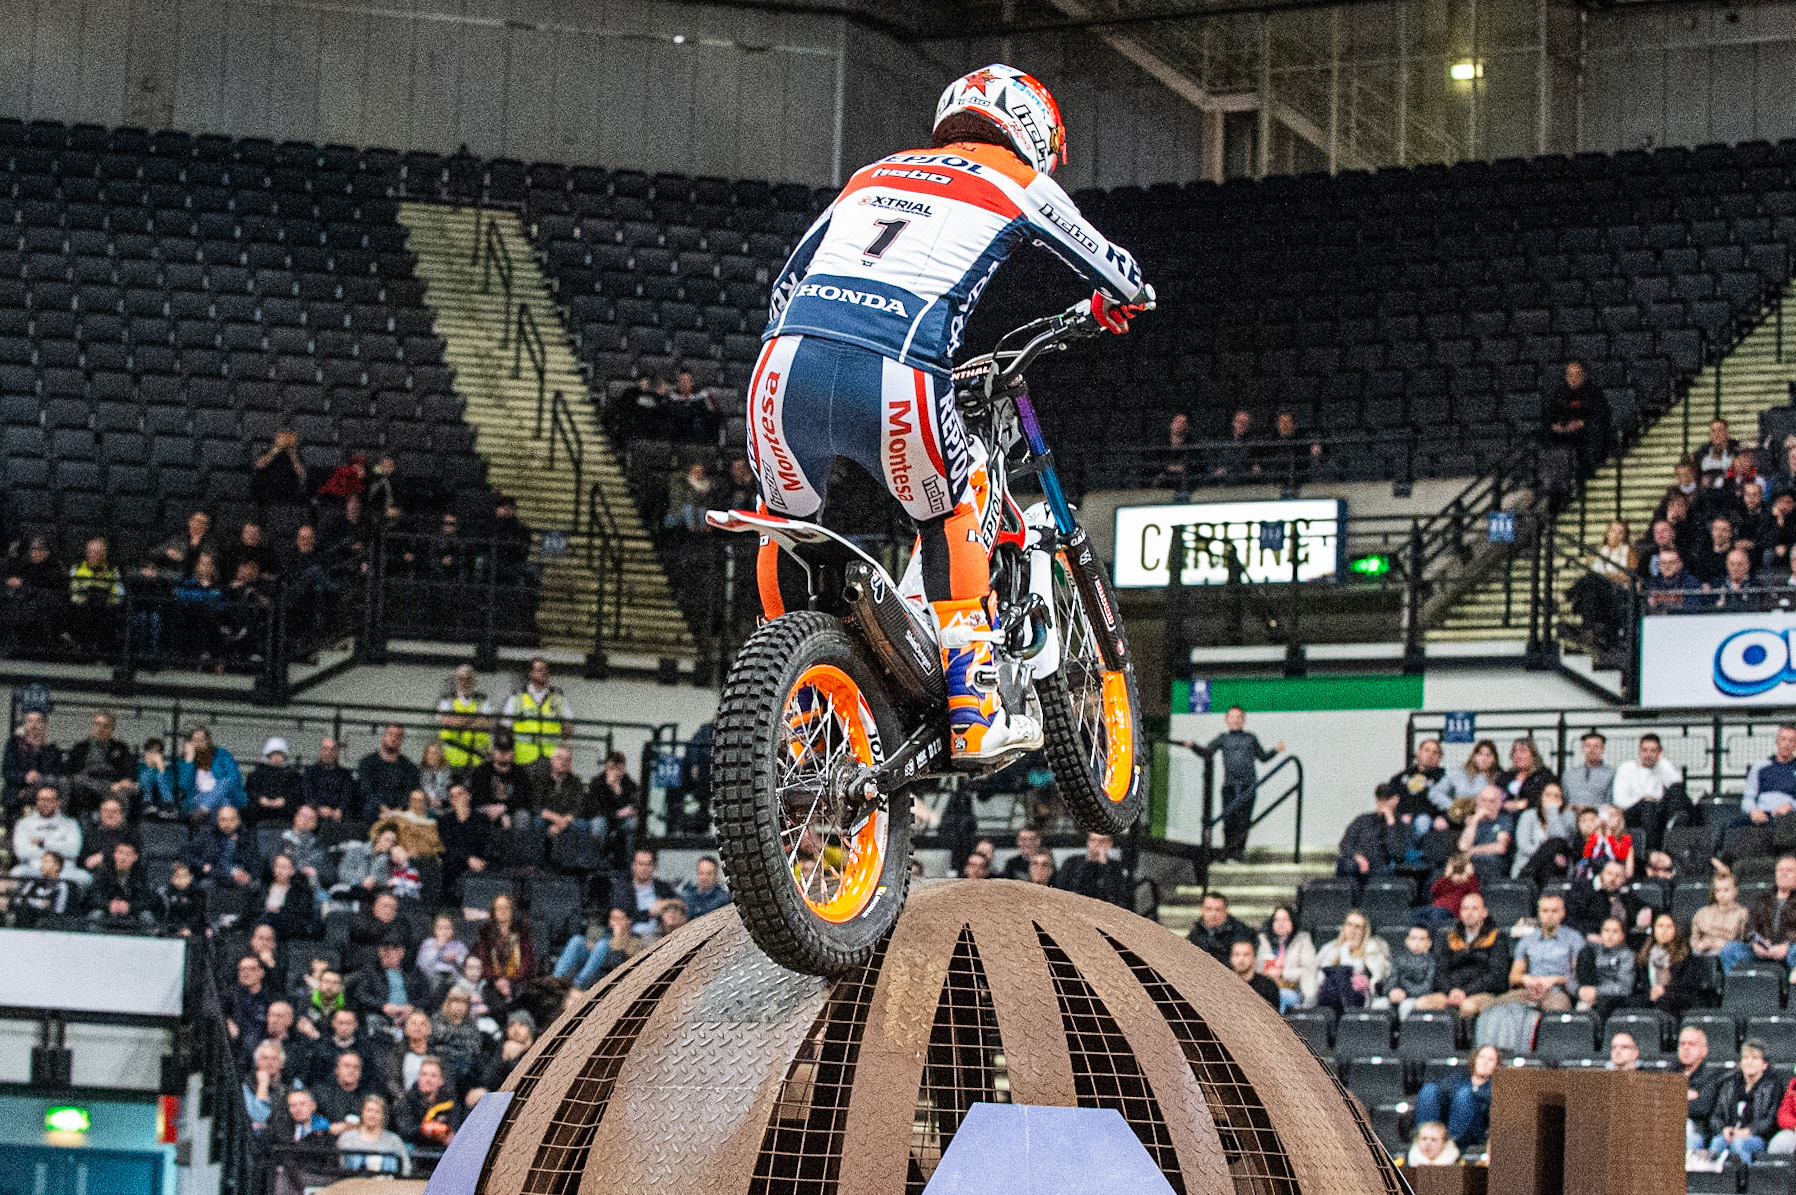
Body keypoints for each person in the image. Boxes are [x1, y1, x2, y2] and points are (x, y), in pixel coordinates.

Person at [753, 65, 1148, 764]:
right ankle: (975, 710)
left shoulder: (872, 173)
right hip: (896, 368)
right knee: (956, 508)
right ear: (1029, 128)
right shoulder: (1016, 179)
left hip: (783, 367)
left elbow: (787, 281)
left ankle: (791, 714)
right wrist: (1128, 296)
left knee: (786, 527)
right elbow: (1112, 267)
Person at [1185, 707, 1283, 861]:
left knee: (1243, 820)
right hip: (1230, 786)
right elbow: (1207, 752)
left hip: (1248, 785)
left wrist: (1276, 750)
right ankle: (1227, 851)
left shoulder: (1250, 738)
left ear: (1243, 720)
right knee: (1229, 820)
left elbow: (1263, 757)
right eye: (1232, 717)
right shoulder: (1222, 738)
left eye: (1239, 717)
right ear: (1226, 720)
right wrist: (1193, 746)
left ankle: (1238, 853)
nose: (1235, 720)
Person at [1497, 893, 1582, 1013]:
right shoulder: (1527, 940)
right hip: (1529, 990)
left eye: (1554, 911)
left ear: (1562, 913)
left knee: (1556, 1011)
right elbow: (1513, 977)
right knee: (1495, 1009)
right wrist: (1526, 979)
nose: (1549, 915)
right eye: (1545, 911)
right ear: (1539, 913)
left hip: (1557, 992)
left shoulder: (1574, 938)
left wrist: (1553, 980)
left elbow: (1579, 975)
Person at [1413, 1044, 1501, 1148]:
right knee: (1429, 1090)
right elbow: (1443, 1092)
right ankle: (1426, 1139)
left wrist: (1469, 1094)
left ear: (1496, 1065)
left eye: (1490, 1059)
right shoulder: (1460, 1078)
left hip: (1473, 1129)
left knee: (1464, 1094)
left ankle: (1451, 1146)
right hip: (1447, 1122)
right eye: (1481, 1057)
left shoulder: (1495, 1086)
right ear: (1475, 1060)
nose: (1485, 1062)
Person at [1710, 1039, 1779, 1165]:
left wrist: (1749, 1131)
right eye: (1746, 1057)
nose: (1749, 1062)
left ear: (1765, 1064)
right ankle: (1713, 1182)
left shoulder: (1772, 1086)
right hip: (1730, 1134)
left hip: (1757, 1137)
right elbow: (1715, 1116)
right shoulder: (1729, 1084)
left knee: (1739, 1143)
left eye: (1755, 1058)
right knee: (1717, 1142)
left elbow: (1771, 1120)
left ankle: (1744, 1182)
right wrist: (1723, 1129)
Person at [1612, 733, 1682, 852]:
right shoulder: (1627, 768)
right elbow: (1620, 801)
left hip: (1658, 812)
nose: (1648, 755)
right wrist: (1644, 800)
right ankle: (1651, 851)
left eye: (1653, 751)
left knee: (1679, 797)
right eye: (1645, 750)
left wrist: (1662, 760)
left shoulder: (1662, 768)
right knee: (1648, 806)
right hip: (1631, 812)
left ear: (1659, 752)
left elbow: (1677, 784)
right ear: (1639, 751)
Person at [1627, 912, 1702, 1019]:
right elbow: (1641, 983)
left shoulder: (1685, 954)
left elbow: (1687, 983)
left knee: (1663, 1002)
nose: (1664, 930)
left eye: (1669, 926)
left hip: (1678, 997)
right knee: (1632, 1003)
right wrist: (1652, 992)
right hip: (1651, 996)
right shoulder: (1645, 954)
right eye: (1660, 926)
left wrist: (1664, 990)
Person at [63, 709, 138, 817]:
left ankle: (118, 829)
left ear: (112, 729)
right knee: (77, 780)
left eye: (105, 725)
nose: (100, 728)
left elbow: (129, 768)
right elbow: (68, 769)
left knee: (127, 790)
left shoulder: (121, 747)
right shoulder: (80, 747)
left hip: (111, 780)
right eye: (97, 724)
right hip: (86, 780)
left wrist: (126, 780)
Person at [1313, 911, 1391, 1012]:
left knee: (1341, 973)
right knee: (1331, 979)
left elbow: (1351, 970)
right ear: (1344, 927)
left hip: (1360, 997)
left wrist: (1345, 949)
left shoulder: (1371, 948)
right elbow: (1322, 972)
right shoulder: (1330, 948)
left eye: (1357, 927)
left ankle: (1349, 1013)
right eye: (1349, 925)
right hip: (1330, 995)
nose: (1352, 930)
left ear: (1364, 931)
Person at [503, 657, 570, 767]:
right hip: (524, 758)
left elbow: (568, 727)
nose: (544, 673)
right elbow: (505, 726)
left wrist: (562, 751)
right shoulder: (517, 696)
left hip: (551, 758)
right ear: (530, 673)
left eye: (545, 670)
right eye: (539, 670)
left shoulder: (557, 697)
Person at [553, 907, 641, 990]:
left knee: (602, 944)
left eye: (619, 919)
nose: (615, 923)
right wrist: (596, 948)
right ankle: (557, 978)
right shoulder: (606, 933)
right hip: (593, 966)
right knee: (577, 940)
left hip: (607, 971)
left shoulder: (635, 940)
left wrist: (619, 938)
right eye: (613, 919)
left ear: (628, 921)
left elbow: (619, 961)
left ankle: (578, 985)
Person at [1337, 783, 1407, 887]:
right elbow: (1344, 844)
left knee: (1382, 872)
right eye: (1380, 800)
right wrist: (1358, 857)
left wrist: (1390, 825)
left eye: (1386, 800)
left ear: (1395, 800)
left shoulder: (1401, 826)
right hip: (1356, 860)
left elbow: (1397, 853)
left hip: (1380, 864)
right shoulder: (1363, 820)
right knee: (1348, 865)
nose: (1382, 804)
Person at [1567, 859, 1651, 941]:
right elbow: (1571, 919)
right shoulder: (1583, 890)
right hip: (1591, 941)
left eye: (1618, 875)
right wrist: (1587, 935)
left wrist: (1646, 910)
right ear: (1602, 874)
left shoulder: (1626, 895)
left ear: (1623, 880)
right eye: (1609, 873)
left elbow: (1643, 907)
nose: (1612, 879)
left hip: (1622, 944)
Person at [475, 893, 534, 1003]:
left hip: (517, 979)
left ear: (512, 911)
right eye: (499, 908)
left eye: (506, 907)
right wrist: (497, 980)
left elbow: (527, 959)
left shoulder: (522, 930)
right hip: (493, 980)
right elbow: (484, 960)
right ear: (494, 911)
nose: (503, 911)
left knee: (521, 993)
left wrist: (511, 980)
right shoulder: (485, 931)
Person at [11, 784, 82, 875]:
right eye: (41, 800)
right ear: (37, 802)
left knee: (84, 878)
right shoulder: (23, 824)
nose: (45, 803)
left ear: (57, 803)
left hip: (64, 871)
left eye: (49, 800)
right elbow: (21, 852)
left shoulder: (70, 824)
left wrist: (41, 843)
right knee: (15, 873)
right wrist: (58, 846)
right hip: (32, 869)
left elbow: (73, 851)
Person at [1574, 917, 1636, 1021]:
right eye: (1606, 931)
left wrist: (1596, 991)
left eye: (1615, 931)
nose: (1610, 935)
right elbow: (1574, 977)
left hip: (1614, 998)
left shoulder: (1627, 955)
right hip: (1590, 994)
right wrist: (1579, 991)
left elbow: (1625, 988)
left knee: (1604, 1003)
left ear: (1623, 935)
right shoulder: (1592, 952)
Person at [394, 1056, 461, 1150]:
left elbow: (455, 1128)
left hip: (442, 1151)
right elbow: (404, 1131)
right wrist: (426, 1128)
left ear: (441, 1081)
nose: (428, 1080)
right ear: (418, 1078)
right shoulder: (407, 1100)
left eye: (433, 1076)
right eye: (424, 1074)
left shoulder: (450, 1102)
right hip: (416, 1152)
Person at [177, 726, 247, 817]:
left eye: (202, 739)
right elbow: (184, 787)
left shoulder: (222, 755)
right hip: (199, 798)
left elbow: (234, 778)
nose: (199, 743)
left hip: (226, 794)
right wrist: (189, 761)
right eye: (195, 740)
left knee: (225, 783)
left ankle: (204, 809)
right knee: (223, 802)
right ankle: (206, 810)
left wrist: (215, 793)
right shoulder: (185, 761)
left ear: (208, 741)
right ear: (190, 743)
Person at [3, 709, 63, 813]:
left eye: (37, 721)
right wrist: (25, 777)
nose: (33, 725)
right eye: (30, 721)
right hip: (17, 795)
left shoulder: (53, 750)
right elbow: (7, 772)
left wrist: (40, 778)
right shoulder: (13, 746)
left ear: (44, 725)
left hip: (44, 794)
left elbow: (58, 775)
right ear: (25, 724)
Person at [187, 804, 260, 890]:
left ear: (238, 821)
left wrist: (249, 876)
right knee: (204, 885)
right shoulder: (208, 835)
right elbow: (187, 853)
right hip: (214, 875)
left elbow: (254, 860)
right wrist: (202, 865)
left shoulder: (246, 836)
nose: (227, 824)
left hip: (239, 875)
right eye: (223, 820)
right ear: (217, 821)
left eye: (232, 820)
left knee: (254, 886)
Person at [356, 725, 421, 821]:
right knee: (369, 809)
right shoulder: (367, 763)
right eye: (390, 734)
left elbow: (410, 792)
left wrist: (397, 811)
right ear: (384, 736)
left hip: (401, 811)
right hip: (375, 810)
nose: (394, 738)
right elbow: (367, 790)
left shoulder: (410, 767)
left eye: (398, 736)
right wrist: (383, 809)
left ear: (402, 740)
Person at [436, 664, 494, 771]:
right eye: (461, 679)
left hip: (477, 757)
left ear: (473, 681)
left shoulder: (482, 700)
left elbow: (488, 723)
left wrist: (460, 720)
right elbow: (445, 721)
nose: (465, 682)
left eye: (469, 679)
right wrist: (474, 720)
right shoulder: (447, 699)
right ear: (457, 680)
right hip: (451, 757)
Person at [1513, 783, 1575, 879]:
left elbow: (1561, 842)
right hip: (1528, 864)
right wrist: (1550, 855)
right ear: (1541, 797)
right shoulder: (1528, 815)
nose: (1552, 799)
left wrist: (1552, 812)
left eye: (1556, 796)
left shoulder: (1568, 816)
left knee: (1556, 844)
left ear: (1562, 801)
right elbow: (1523, 846)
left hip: (1556, 869)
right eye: (1548, 795)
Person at [1743, 855, 1796, 969]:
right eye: (1780, 870)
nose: (1784, 874)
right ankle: (1740, 985)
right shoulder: (1763, 898)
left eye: (1789, 870)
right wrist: (1756, 944)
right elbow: (1750, 927)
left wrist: (1787, 945)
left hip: (1790, 948)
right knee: (1731, 949)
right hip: (1764, 948)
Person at [437, 782, 492, 890]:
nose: (456, 798)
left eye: (460, 794)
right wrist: (467, 859)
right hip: (456, 864)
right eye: (452, 796)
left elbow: (487, 842)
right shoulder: (445, 821)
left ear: (468, 796)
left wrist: (482, 860)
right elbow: (446, 847)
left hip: (481, 862)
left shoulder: (482, 819)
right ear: (450, 800)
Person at [338, 1094, 410, 1175]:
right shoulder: (347, 1138)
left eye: (377, 1112)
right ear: (362, 1113)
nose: (372, 1115)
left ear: (383, 1116)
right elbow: (340, 1169)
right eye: (369, 1110)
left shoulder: (394, 1141)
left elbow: (406, 1170)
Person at [587, 750, 640, 861]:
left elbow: (635, 802)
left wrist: (619, 793)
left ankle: (631, 864)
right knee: (598, 825)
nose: (616, 773)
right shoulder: (597, 782)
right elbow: (595, 808)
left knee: (634, 825)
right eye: (612, 769)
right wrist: (616, 813)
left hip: (622, 821)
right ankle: (597, 862)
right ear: (606, 768)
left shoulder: (628, 782)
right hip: (604, 817)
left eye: (620, 769)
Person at [1695, 870, 1752, 971]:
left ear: (1735, 891)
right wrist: (1702, 945)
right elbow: (1694, 941)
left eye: (1726, 890)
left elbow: (1743, 942)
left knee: (1731, 950)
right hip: (1705, 952)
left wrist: (1723, 944)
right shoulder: (1702, 913)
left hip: (1729, 953)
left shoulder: (1743, 914)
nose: (1721, 894)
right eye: (1718, 890)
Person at [1051, 832, 1128, 906]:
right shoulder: (1072, 862)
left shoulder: (1115, 867)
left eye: (1102, 841)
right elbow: (1067, 888)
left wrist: (1104, 865)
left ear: (1109, 844)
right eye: (1093, 840)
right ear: (1088, 842)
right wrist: (1088, 863)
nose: (1097, 844)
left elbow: (1115, 896)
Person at [1681, 1026, 1724, 1152]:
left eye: (1691, 1044)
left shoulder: (1712, 1076)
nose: (1686, 1048)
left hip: (1697, 1131)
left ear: (1704, 1050)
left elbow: (1702, 1108)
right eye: (1682, 1044)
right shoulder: (1670, 1072)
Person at [1457, 786, 1514, 883]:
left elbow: (1500, 847)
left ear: (1499, 804)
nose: (1486, 805)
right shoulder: (1473, 820)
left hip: (1493, 862)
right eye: (1483, 800)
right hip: (1471, 863)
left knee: (1485, 864)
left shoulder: (1504, 820)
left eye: (1491, 801)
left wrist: (1473, 851)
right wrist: (1475, 821)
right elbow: (1463, 846)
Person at [1382, 926, 1439, 1019]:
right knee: (1379, 1004)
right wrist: (1392, 991)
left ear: (1429, 943)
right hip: (1398, 997)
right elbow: (1390, 981)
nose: (1417, 943)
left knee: (1406, 1005)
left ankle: (1404, 1032)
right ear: (1407, 941)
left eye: (1422, 939)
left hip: (1418, 999)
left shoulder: (1433, 962)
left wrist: (1405, 993)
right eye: (1413, 938)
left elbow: (1428, 987)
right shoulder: (1398, 959)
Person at [534, 745, 592, 836]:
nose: (563, 762)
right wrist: (556, 819)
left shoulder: (576, 782)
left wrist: (562, 823)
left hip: (567, 820)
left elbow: (578, 807)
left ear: (570, 762)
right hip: (547, 817)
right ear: (552, 760)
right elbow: (536, 806)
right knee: (537, 822)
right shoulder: (541, 779)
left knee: (582, 825)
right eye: (559, 758)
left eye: (567, 759)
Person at [1186, 892, 1254, 965]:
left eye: (1218, 910)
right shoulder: (1196, 931)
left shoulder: (1240, 932)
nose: (1213, 914)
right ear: (1202, 910)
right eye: (1209, 909)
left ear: (1226, 911)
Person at [1496, 738, 1557, 814]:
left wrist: (1524, 804)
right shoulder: (1506, 776)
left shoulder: (1543, 775)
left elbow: (1546, 797)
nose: (1518, 755)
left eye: (1523, 751)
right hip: (1506, 817)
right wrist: (1503, 804)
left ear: (1533, 755)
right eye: (1515, 751)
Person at [1561, 731, 1616, 809]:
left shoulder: (1611, 774)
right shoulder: (1569, 774)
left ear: (1603, 749)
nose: (1592, 750)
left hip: (1597, 819)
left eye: (1596, 746)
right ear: (1582, 748)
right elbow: (1564, 801)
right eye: (1588, 746)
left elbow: (1611, 803)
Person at [1583, 803, 1635, 877]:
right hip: (1594, 873)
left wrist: (1609, 836)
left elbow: (1621, 855)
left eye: (1613, 815)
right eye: (1608, 815)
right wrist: (1598, 831)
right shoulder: (1595, 836)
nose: (1609, 818)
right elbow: (1586, 854)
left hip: (1615, 873)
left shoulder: (1625, 838)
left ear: (1620, 818)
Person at [1228, 940, 1279, 1008]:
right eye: (1237, 955)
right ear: (1231, 959)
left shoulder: (1268, 986)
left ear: (1254, 958)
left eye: (1246, 955)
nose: (1241, 959)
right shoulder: (1225, 984)